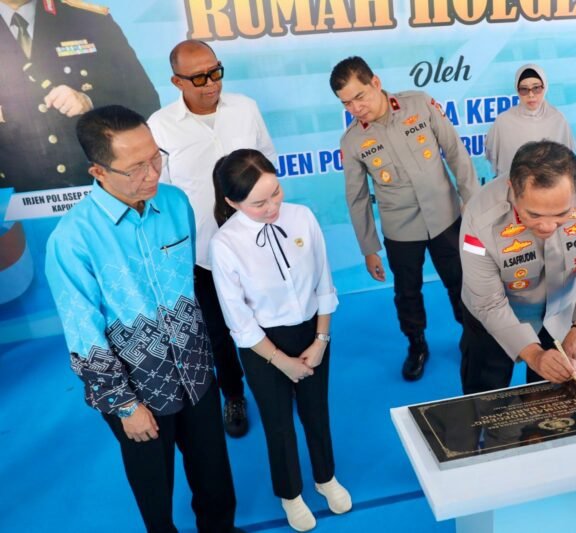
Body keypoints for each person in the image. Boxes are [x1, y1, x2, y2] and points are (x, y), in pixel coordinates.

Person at [44, 105, 238, 533]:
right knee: (154, 483)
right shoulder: (72, 239)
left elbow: (188, 281)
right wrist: (124, 405)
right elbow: (83, 334)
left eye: (156, 157)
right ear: (98, 170)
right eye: (135, 167)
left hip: (195, 367)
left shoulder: (175, 203)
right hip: (137, 387)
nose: (152, 173)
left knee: (215, 472)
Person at [209, 149, 351, 532]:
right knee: (278, 423)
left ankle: (325, 477)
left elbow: (324, 281)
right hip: (262, 346)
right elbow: (238, 320)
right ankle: (290, 493)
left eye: (275, 193)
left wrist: (321, 340)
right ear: (232, 203)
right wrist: (281, 361)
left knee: (316, 411)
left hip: (312, 332)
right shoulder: (225, 244)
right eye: (258, 203)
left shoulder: (302, 216)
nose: (272, 206)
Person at [149, 39, 278, 437]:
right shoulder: (160, 126)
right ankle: (234, 396)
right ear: (176, 81)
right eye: (199, 77)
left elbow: (268, 167)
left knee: (269, 318)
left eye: (216, 72)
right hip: (202, 255)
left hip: (259, 243)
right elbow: (163, 198)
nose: (211, 84)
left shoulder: (246, 109)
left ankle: (276, 388)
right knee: (220, 333)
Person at [331, 56, 479, 381]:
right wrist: (369, 248)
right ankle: (416, 344)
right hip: (401, 229)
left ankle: (472, 338)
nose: (355, 108)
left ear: (376, 83)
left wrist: (471, 200)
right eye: (346, 104)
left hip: (445, 217)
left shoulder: (419, 104)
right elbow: (356, 197)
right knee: (407, 291)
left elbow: (455, 151)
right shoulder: (352, 141)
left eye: (360, 96)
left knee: (461, 281)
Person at [460, 140, 576, 394]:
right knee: (483, 399)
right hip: (494, 317)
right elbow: (488, 303)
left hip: (561, 313)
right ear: (512, 188)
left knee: (554, 404)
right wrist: (534, 355)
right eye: (533, 215)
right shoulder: (477, 218)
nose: (547, 226)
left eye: (561, 215)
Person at [0, 0, 159, 192]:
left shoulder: (91, 21)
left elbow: (146, 100)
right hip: (11, 198)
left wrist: (91, 101)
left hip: (94, 189)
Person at [485, 63, 575, 180]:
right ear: (517, 90)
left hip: (550, 188)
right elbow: (493, 154)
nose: (531, 95)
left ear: (545, 87)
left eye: (536, 88)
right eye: (524, 89)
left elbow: (566, 159)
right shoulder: (503, 121)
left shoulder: (558, 119)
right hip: (514, 188)